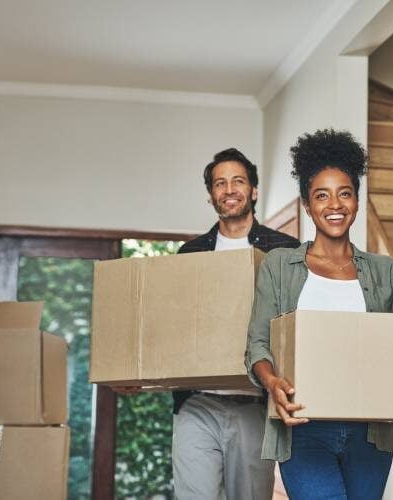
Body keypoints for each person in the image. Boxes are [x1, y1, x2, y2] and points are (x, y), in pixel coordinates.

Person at [245, 129, 393, 500]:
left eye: (344, 193)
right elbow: (257, 345)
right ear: (306, 204)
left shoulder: (384, 271)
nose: (335, 204)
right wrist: (272, 383)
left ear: (357, 201)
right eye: (322, 195)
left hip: (372, 432)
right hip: (303, 426)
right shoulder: (279, 266)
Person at [118, 148, 300, 500]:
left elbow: (296, 327)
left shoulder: (286, 251)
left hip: (254, 403)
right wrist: (134, 375)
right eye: (220, 183)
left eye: (238, 181)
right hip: (197, 404)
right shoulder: (190, 254)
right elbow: (169, 328)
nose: (229, 189)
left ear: (254, 191)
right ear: (210, 195)